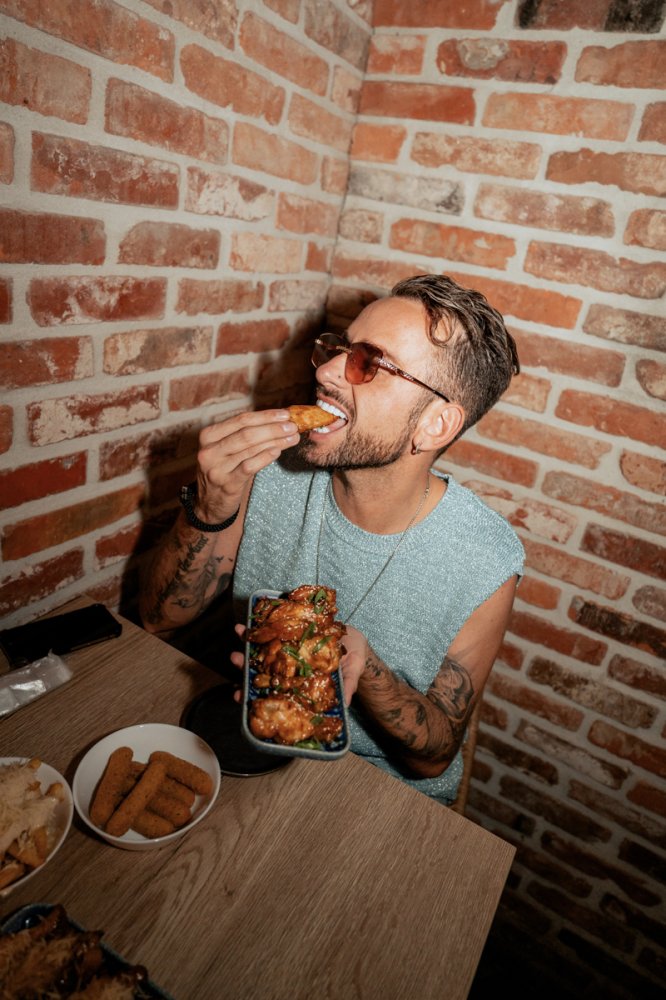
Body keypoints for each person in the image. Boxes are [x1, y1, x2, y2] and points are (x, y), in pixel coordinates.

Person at [140, 274, 524, 804]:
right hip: (253, 742)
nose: (323, 371)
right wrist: (209, 508)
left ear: (435, 425)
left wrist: (367, 671)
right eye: (338, 348)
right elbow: (160, 619)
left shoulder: (486, 559)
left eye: (369, 362)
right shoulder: (269, 472)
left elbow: (434, 755)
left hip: (377, 793)